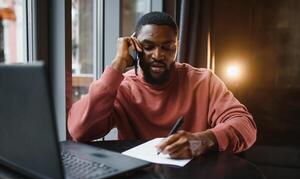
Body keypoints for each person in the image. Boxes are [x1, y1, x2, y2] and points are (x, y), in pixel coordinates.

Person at [68, 11, 256, 159]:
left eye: (167, 47)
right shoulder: (122, 87)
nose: (158, 55)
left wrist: (204, 140)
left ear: (177, 47)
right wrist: (118, 64)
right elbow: (80, 130)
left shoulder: (204, 81)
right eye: (148, 47)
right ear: (135, 46)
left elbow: (246, 126)